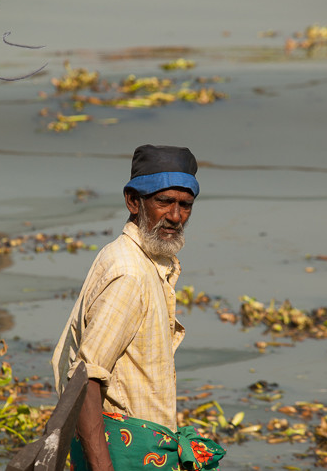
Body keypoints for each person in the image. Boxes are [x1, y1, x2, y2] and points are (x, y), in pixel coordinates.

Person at [52, 145, 225, 471]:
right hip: (121, 457)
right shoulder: (131, 274)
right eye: (164, 202)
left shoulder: (137, 260)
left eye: (185, 205)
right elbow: (85, 377)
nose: (175, 216)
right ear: (134, 201)